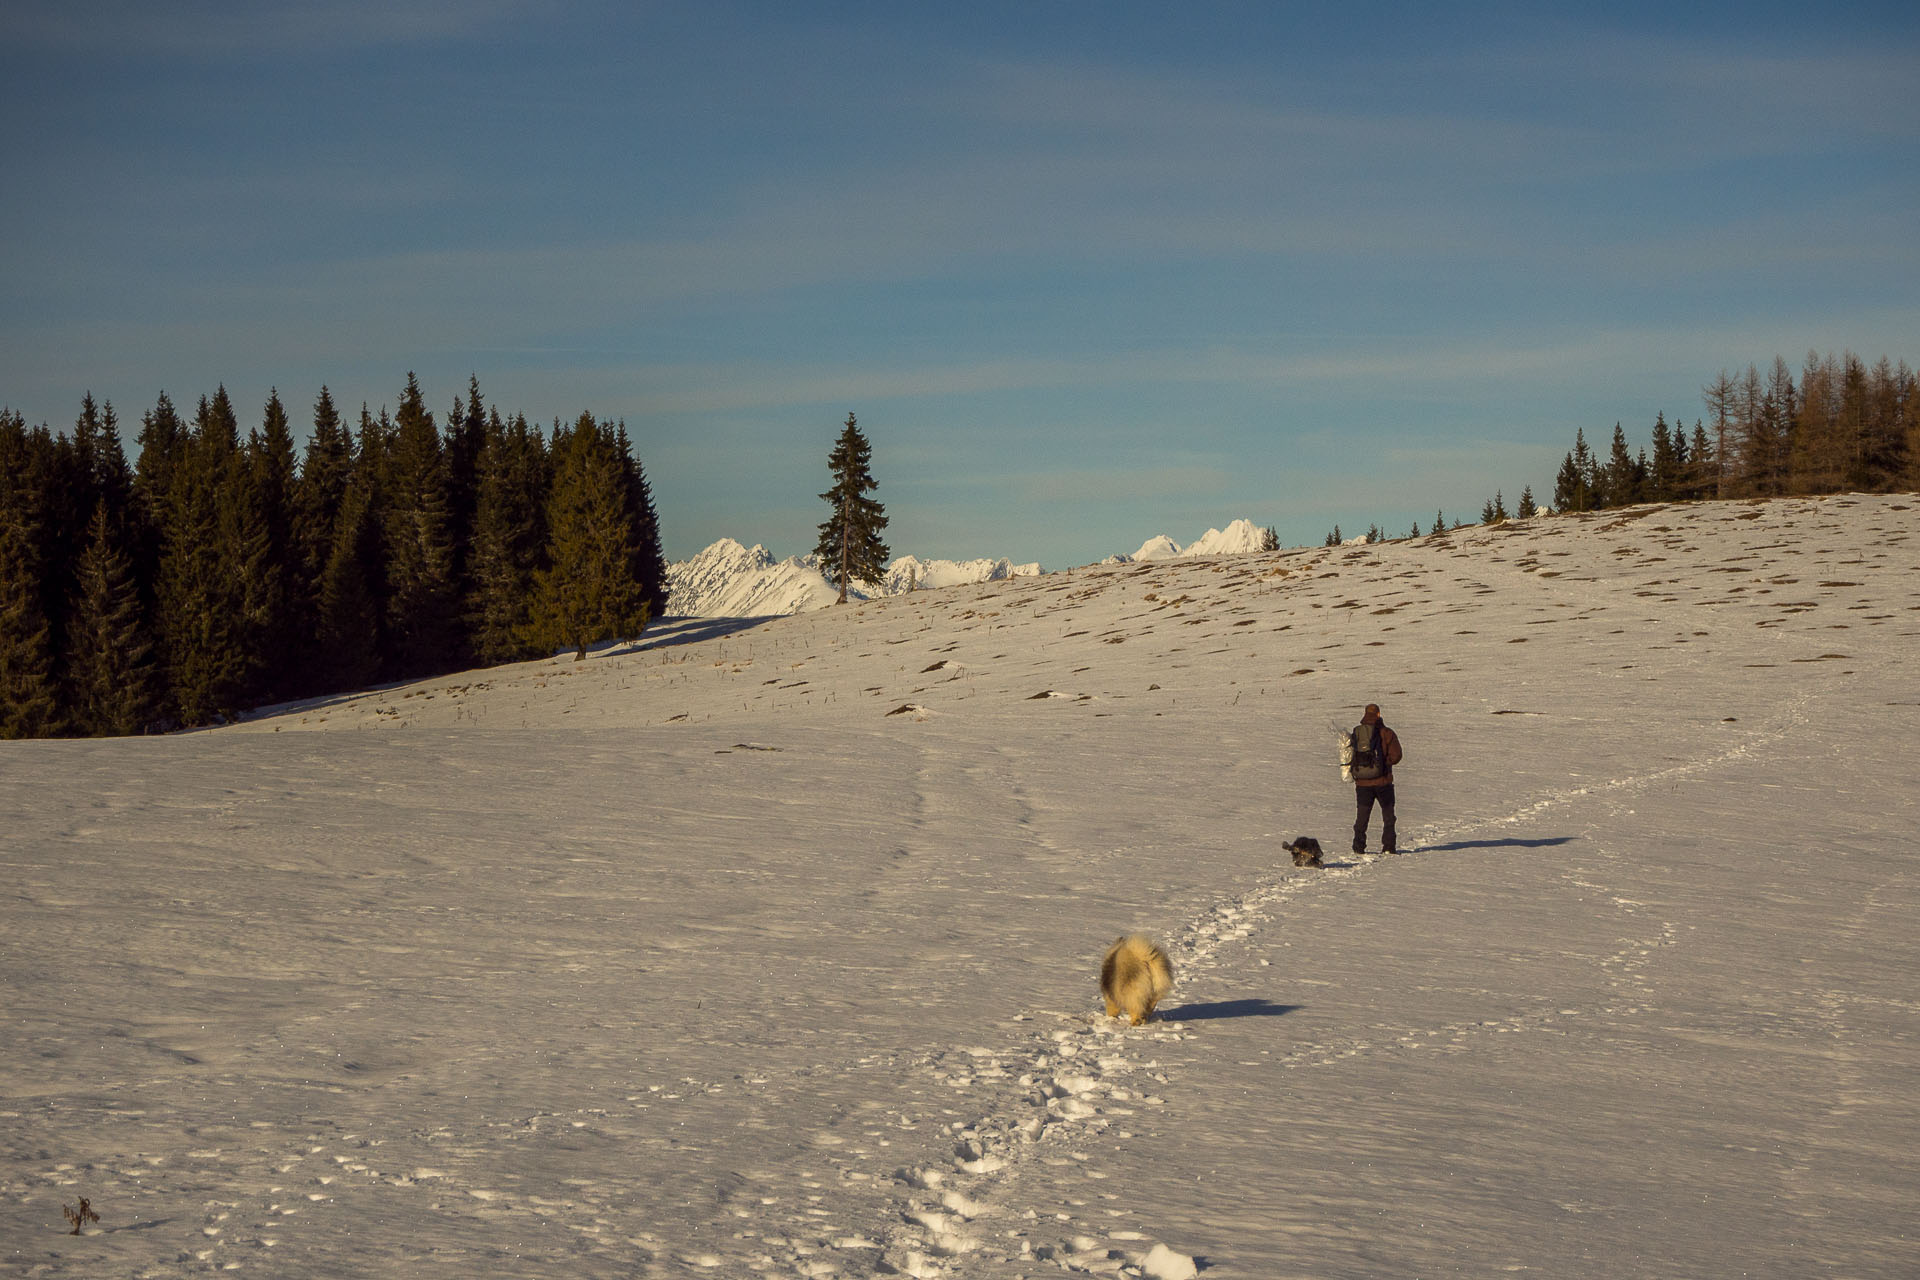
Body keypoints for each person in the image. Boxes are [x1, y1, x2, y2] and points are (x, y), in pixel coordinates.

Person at [1350, 703, 1403, 855]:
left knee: (1362, 816)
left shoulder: (1357, 733)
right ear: (1378, 714)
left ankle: (1358, 847)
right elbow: (1397, 755)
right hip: (1383, 782)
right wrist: (1384, 764)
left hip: (1362, 783)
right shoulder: (1386, 733)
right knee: (1388, 816)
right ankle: (1388, 847)